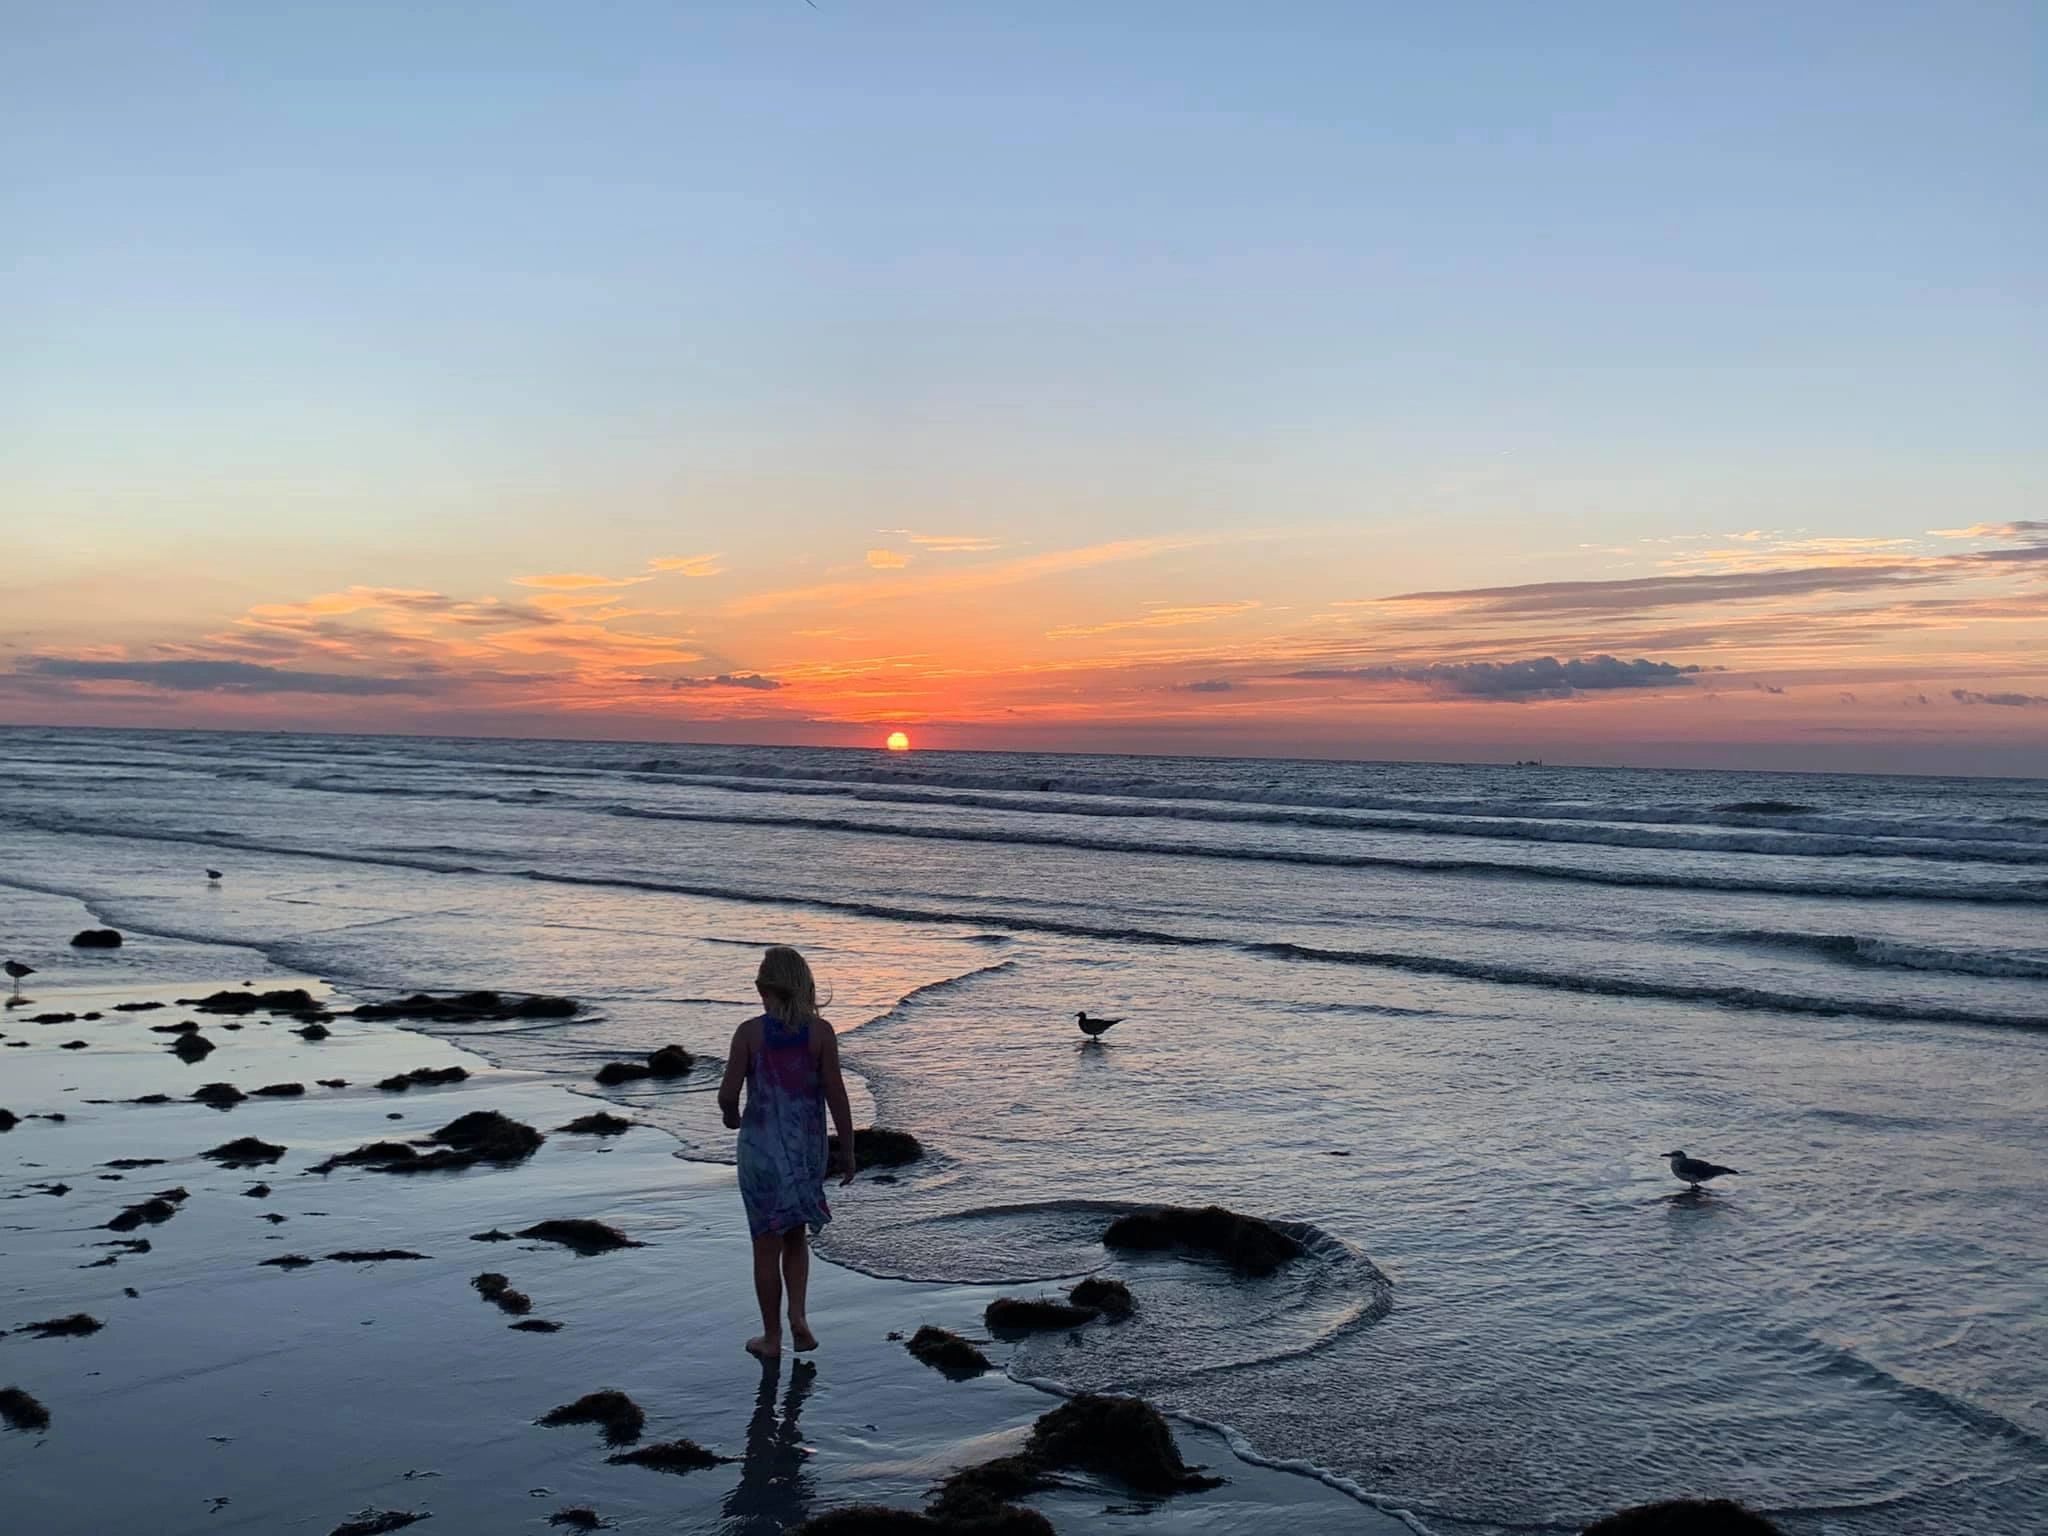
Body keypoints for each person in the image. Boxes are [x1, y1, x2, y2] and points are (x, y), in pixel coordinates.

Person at [718, 945, 857, 1360]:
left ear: (764, 987)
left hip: (760, 1153)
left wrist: (732, 1117)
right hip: (805, 1151)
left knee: (765, 1243)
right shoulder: (821, 1033)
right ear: (804, 986)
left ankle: (771, 1337)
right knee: (795, 1236)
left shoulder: (749, 1033)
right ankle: (799, 1317)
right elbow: (837, 1095)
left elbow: (728, 1094)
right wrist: (847, 1149)